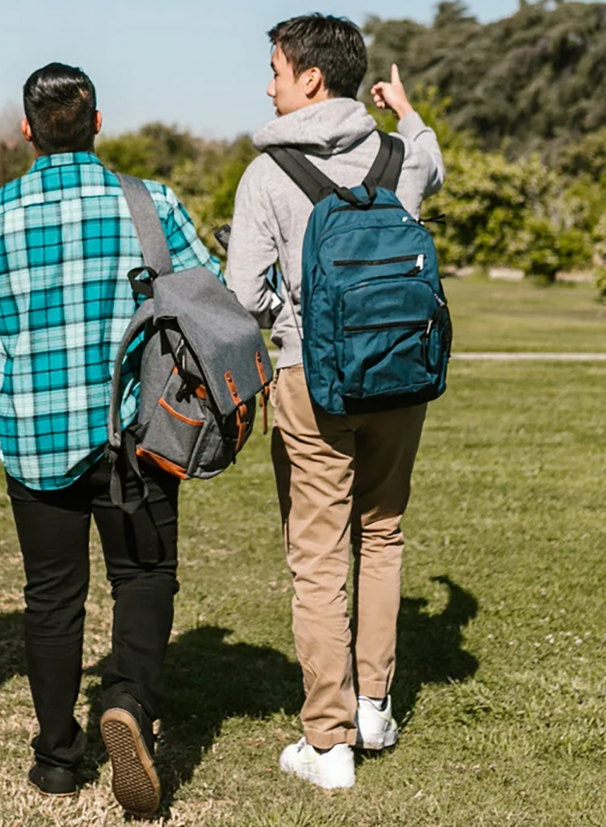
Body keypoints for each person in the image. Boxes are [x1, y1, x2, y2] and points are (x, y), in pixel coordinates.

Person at [0, 63, 218, 817]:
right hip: (138, 432)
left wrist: (18, 354)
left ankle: (59, 758)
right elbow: (207, 296)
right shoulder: (150, 204)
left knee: (52, 598)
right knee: (145, 576)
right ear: (97, 122)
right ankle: (127, 699)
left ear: (26, 130)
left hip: (36, 436)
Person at [221, 14, 446, 790]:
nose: (270, 83)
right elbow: (433, 165)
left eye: (277, 69)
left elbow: (244, 295)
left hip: (310, 382)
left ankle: (328, 740)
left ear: (310, 78)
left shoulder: (267, 174)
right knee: (382, 534)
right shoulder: (397, 154)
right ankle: (375, 705)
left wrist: (293, 310)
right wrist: (406, 110)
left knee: (317, 558)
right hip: (400, 376)